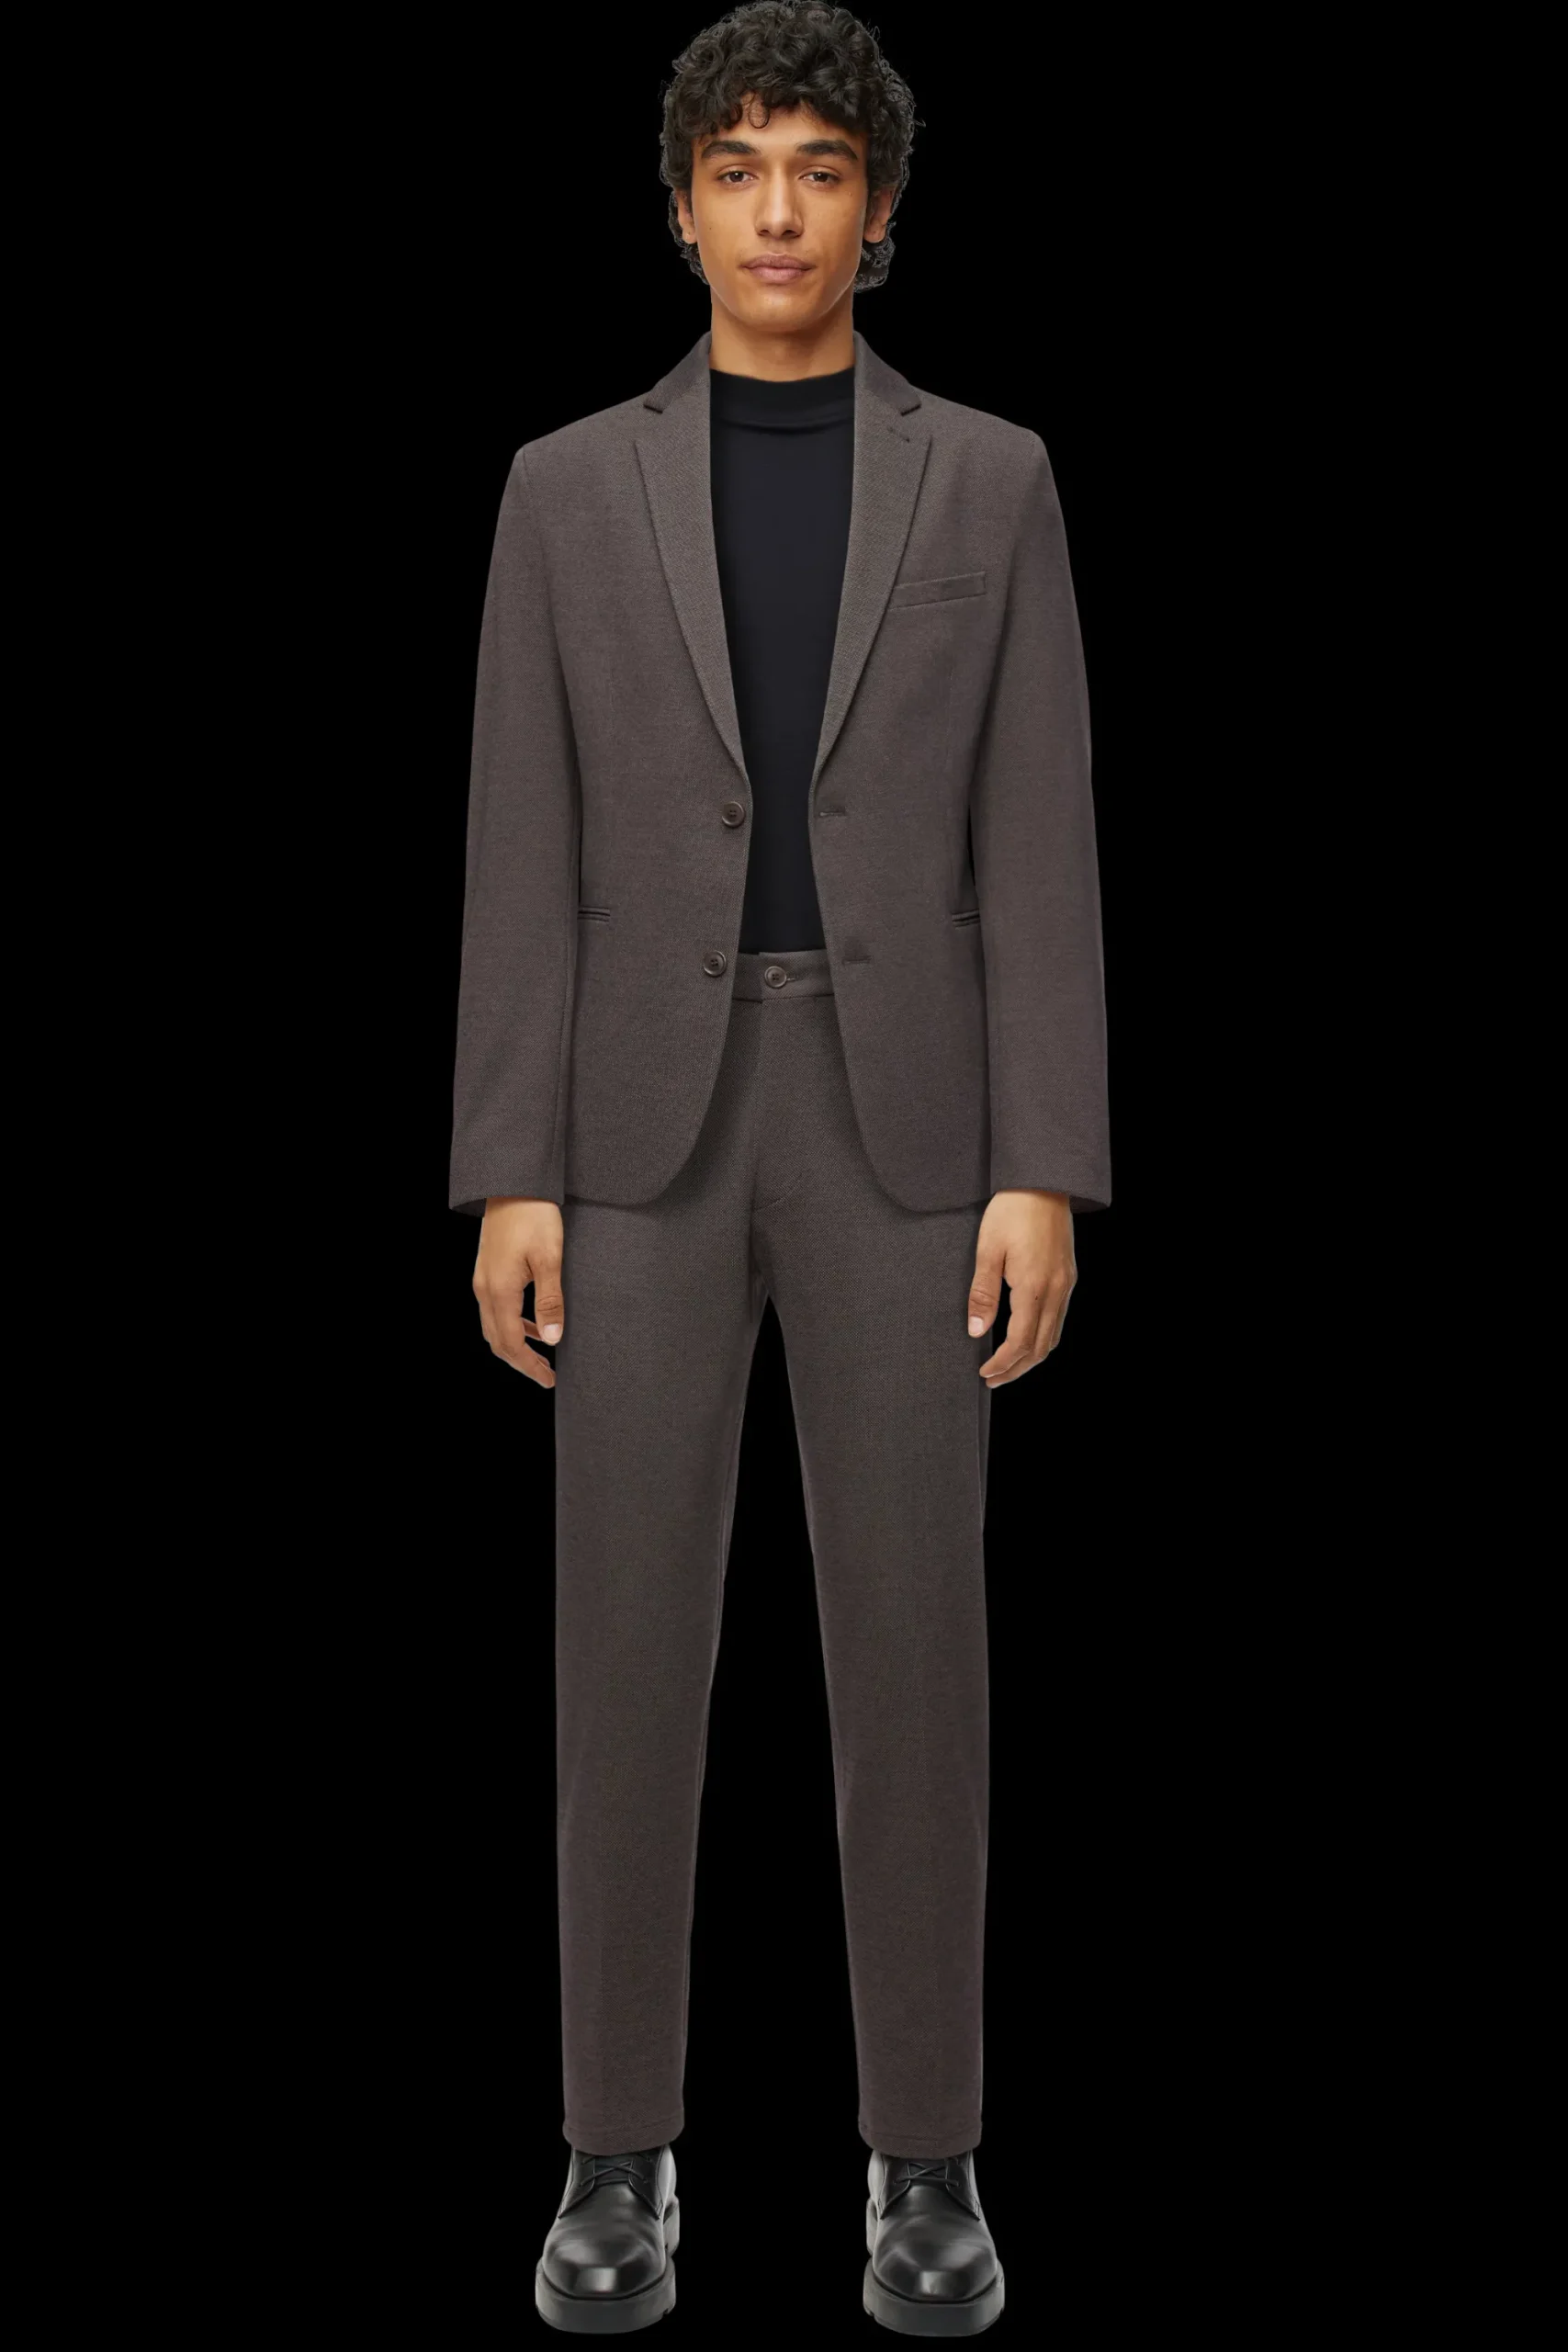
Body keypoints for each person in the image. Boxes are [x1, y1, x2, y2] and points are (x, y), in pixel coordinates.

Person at [449, 1, 1110, 2332]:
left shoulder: (994, 481)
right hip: (629, 1130)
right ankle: (610, 2157)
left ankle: (926, 2162)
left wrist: (1044, 1158)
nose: (777, 208)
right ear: (679, 206)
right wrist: (507, 1162)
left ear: (880, 208)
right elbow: (521, 836)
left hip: (905, 1122)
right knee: (622, 1644)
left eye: (820, 166)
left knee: (915, 1646)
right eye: (735, 166)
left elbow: (1037, 832)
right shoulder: (561, 488)